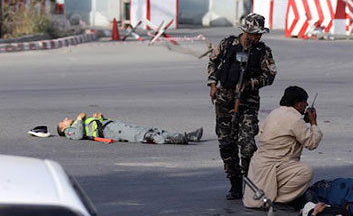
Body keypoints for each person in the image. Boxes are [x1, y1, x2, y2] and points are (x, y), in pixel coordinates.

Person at [207, 13, 277, 200]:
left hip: (248, 103)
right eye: (256, 34)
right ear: (246, 31)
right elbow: (213, 61)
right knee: (226, 144)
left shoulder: (262, 51)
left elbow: (270, 75)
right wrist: (213, 84)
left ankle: (250, 181)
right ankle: (235, 183)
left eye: (260, 34)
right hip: (224, 100)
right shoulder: (227, 44)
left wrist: (249, 84)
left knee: (247, 145)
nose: (258, 37)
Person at [244, 86, 322, 208]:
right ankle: (280, 200)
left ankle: (273, 196)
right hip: (275, 164)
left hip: (261, 162)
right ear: (297, 103)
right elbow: (312, 143)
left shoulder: (275, 112)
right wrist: (313, 123)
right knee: (306, 171)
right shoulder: (295, 119)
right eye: (304, 102)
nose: (306, 104)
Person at [57, 112, 202, 144]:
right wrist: (78, 119)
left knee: (151, 129)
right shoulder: (71, 131)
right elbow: (78, 136)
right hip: (112, 131)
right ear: (63, 129)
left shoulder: (79, 124)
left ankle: (187, 136)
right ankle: (180, 139)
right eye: (62, 122)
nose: (65, 119)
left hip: (112, 125)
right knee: (144, 135)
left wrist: (99, 117)